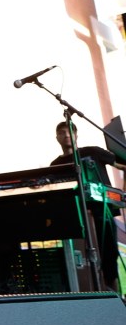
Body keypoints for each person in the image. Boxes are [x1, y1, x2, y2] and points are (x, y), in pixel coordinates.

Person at [50, 120, 121, 291]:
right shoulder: (55, 165)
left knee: (109, 255)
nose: (66, 135)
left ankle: (115, 296)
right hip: (75, 214)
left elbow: (121, 165)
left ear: (76, 135)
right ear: (57, 138)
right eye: (62, 133)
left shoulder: (92, 152)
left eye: (69, 131)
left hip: (101, 211)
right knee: (80, 255)